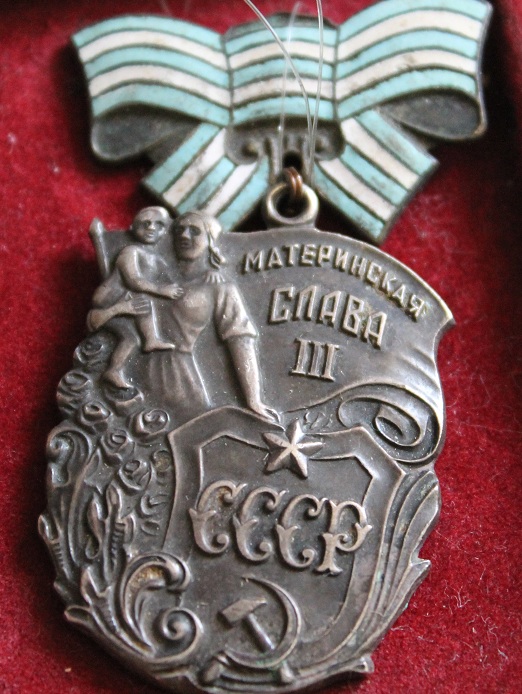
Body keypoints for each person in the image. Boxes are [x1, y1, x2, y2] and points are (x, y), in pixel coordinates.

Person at [153, 211, 278, 424]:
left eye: (195, 231)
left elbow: (241, 340)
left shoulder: (220, 287)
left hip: (177, 378)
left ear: (210, 240)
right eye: (179, 230)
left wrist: (253, 399)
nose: (184, 235)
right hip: (142, 372)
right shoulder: (155, 278)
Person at [87, 206, 183, 389]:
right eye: (145, 224)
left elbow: (175, 282)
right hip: (110, 298)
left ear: (165, 231)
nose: (151, 228)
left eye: (158, 225)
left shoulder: (158, 259)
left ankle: (114, 370)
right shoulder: (130, 251)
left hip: (126, 302)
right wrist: (161, 290)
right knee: (142, 295)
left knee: (131, 340)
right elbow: (133, 281)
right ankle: (151, 338)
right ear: (133, 228)